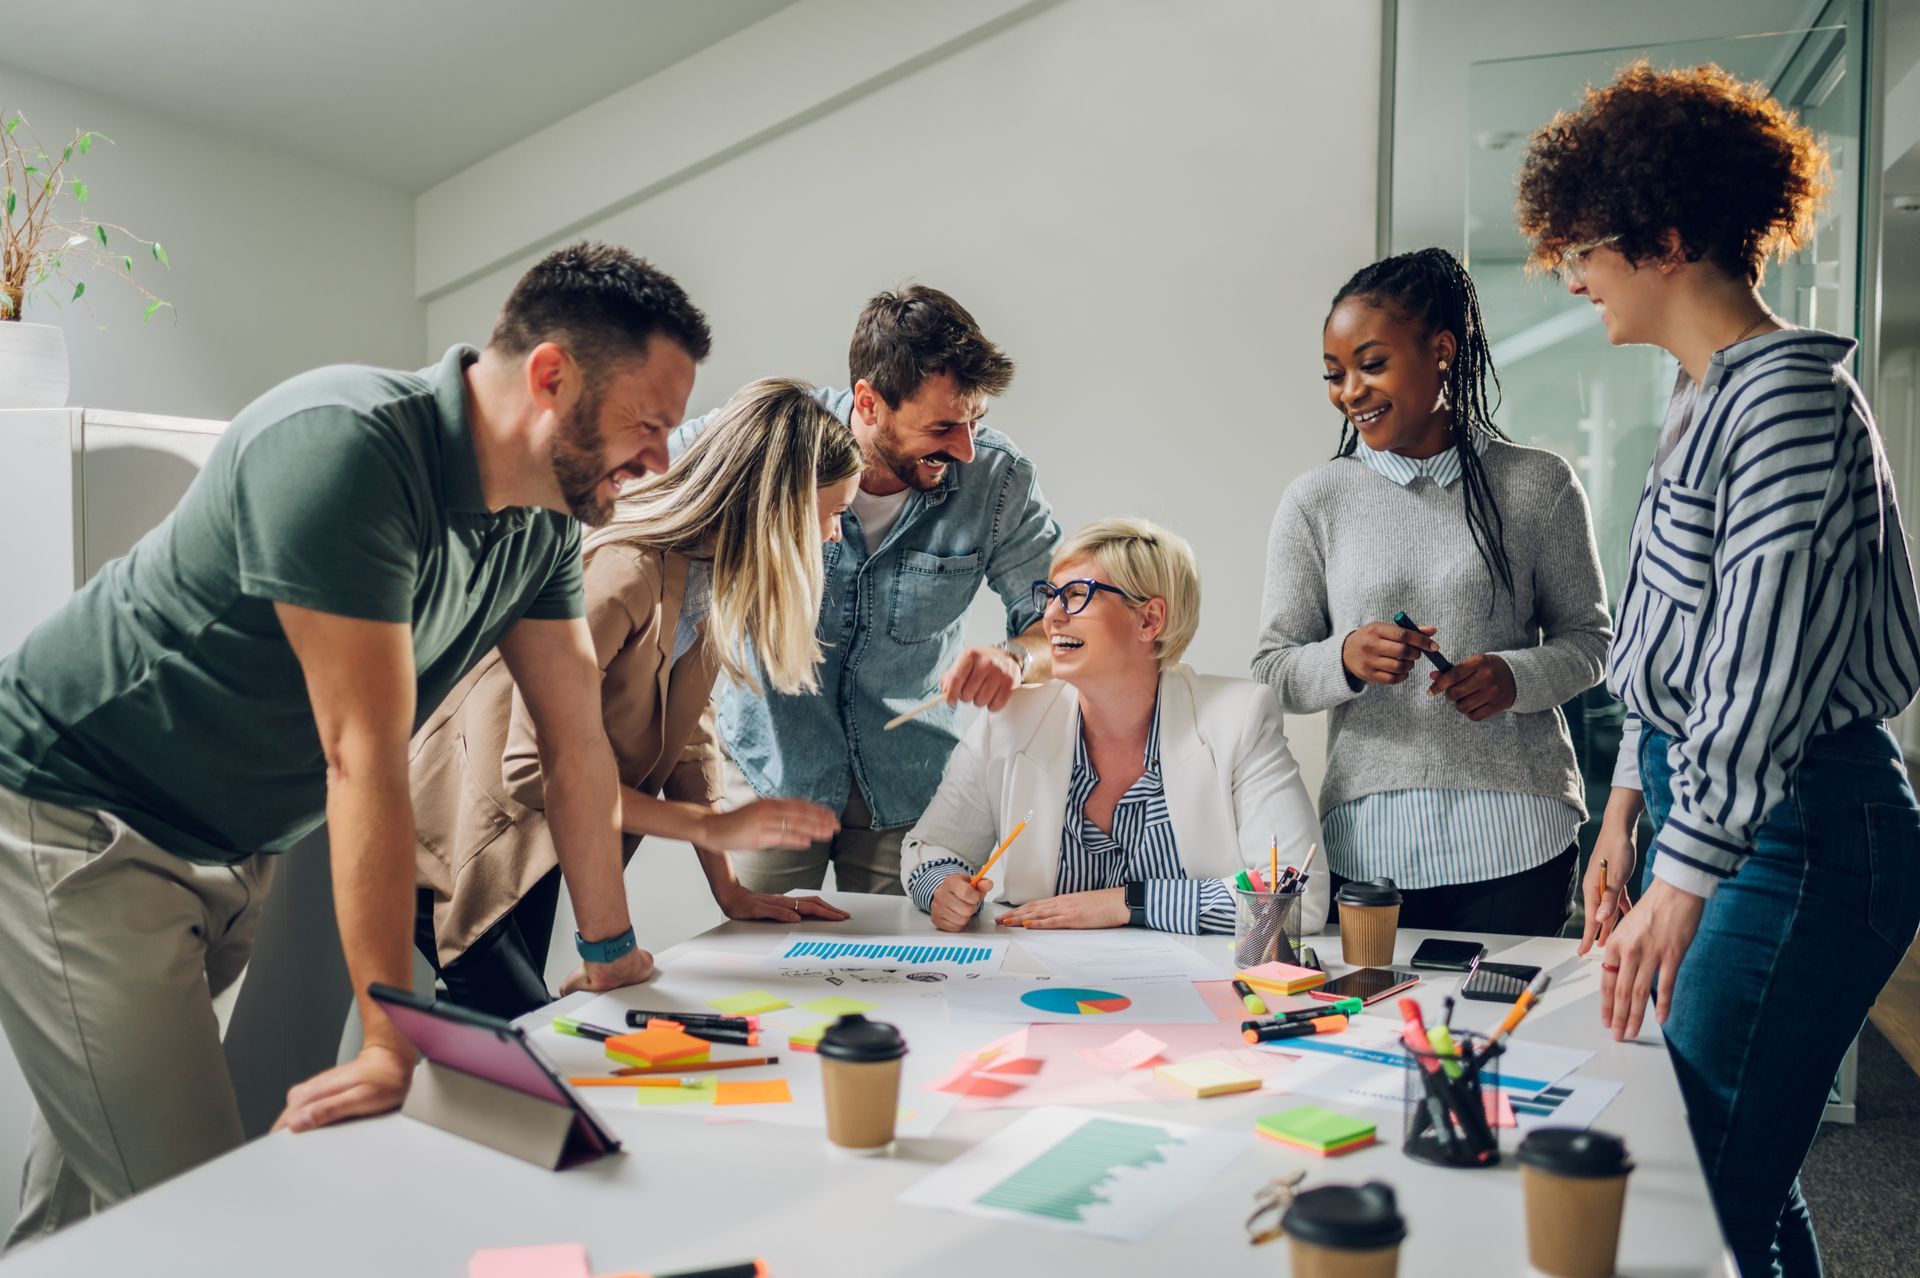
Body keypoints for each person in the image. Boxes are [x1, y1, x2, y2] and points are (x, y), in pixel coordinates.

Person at [0, 241, 709, 1244]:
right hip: (80, 818)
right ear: (551, 375)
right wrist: (389, 1039)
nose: (661, 459)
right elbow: (361, 755)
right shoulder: (349, 445)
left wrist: (609, 951)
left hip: (227, 836)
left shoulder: (540, 525)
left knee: (86, 1201)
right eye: (650, 423)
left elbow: (575, 741)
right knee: (198, 1223)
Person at [1519, 61, 1920, 1277]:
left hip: (1805, 833)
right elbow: (1671, 642)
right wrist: (1628, 813)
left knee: (1684, 1185)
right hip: (1734, 818)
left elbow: (1766, 666)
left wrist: (1683, 878)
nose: (1574, 277)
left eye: (1584, 249)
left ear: (1667, 238)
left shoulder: (1789, 400)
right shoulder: (1703, 398)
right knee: (1722, 1161)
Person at [411, 379, 864, 1019]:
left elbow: (689, 744)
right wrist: (700, 832)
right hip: (462, 832)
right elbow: (533, 767)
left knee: (532, 1037)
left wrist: (729, 890)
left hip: (542, 833)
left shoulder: (706, 575)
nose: (836, 536)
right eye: (830, 513)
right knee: (528, 1049)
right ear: (777, 511)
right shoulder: (623, 569)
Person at [1253, 247, 1611, 937]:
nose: (1349, 390)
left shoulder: (1538, 484)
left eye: (1371, 364)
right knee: (1374, 1033)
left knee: (1501, 1038)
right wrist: (1347, 659)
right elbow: (1276, 669)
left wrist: (1515, 675)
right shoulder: (1316, 499)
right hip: (1370, 839)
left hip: (1521, 832)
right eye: (1334, 374)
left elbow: (1591, 642)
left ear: (1442, 351)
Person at [668, 286, 1061, 897]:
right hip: (771, 768)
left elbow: (1058, 620)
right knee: (761, 967)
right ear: (869, 403)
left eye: (976, 421)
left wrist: (1017, 658)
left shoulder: (1000, 480)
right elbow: (638, 497)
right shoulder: (768, 440)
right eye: (944, 426)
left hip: (910, 784)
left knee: (905, 975)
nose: (965, 448)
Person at [902, 518, 1327, 935]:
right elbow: (932, 849)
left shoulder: (1241, 717)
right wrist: (942, 887)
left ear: (1150, 620)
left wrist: (1126, 902)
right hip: (1037, 985)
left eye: (1075, 596)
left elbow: (1296, 897)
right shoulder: (1011, 718)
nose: (1051, 616)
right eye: (1049, 596)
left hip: (1193, 993)